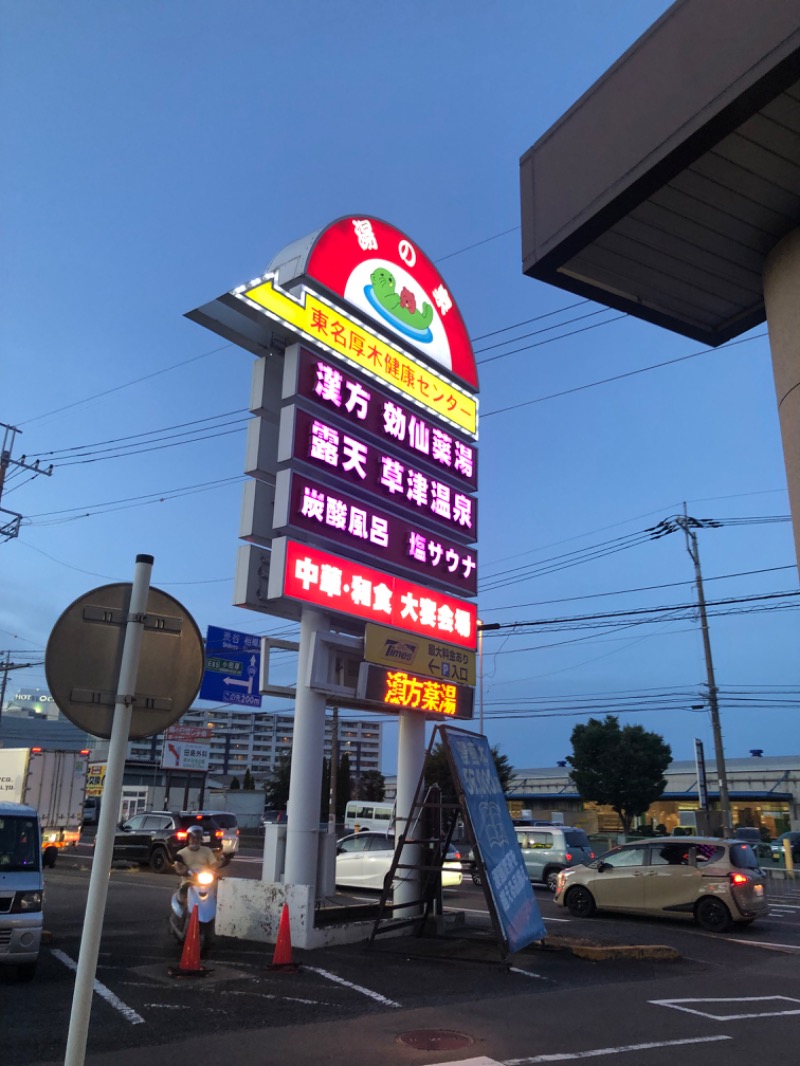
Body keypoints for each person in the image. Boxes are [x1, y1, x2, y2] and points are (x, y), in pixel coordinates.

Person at [174, 825, 218, 902]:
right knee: (182, 897)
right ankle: (183, 912)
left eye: (198, 838)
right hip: (189, 881)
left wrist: (216, 872)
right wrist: (183, 871)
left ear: (201, 839)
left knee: (218, 895)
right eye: (193, 838)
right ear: (188, 839)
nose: (195, 840)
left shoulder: (207, 850)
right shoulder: (181, 853)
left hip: (206, 881)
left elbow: (213, 864)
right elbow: (178, 868)